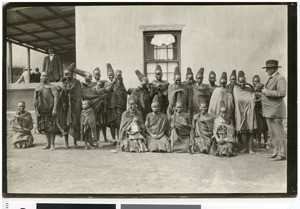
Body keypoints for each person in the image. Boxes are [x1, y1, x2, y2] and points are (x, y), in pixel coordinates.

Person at [261, 59, 287, 161]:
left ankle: (282, 153)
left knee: (279, 133)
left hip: (275, 111)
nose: (266, 71)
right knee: (273, 133)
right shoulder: (272, 78)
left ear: (273, 69)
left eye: (268, 69)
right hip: (269, 111)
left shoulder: (280, 78)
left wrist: (266, 92)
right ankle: (276, 151)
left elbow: (282, 93)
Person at [57, 64, 82, 148]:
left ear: (72, 74)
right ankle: (66, 143)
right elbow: (62, 94)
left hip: (75, 106)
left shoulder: (77, 82)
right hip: (66, 107)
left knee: (75, 124)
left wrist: (72, 97)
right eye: (65, 74)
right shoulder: (64, 82)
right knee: (66, 124)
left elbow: (79, 94)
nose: (66, 76)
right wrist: (64, 102)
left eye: (68, 74)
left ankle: (75, 143)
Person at [34, 72, 59, 151]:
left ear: (48, 77)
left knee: (51, 128)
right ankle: (47, 143)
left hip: (50, 110)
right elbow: (35, 100)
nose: (44, 77)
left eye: (46, 76)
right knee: (44, 128)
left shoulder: (52, 87)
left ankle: (52, 144)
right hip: (41, 110)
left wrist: (55, 109)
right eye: (42, 76)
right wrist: (36, 111)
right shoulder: (38, 87)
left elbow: (56, 97)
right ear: (40, 77)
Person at [233, 71, 257, 154]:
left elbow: (255, 89)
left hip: (250, 112)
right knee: (243, 131)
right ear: (237, 82)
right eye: (239, 82)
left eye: (243, 82)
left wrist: (248, 84)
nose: (241, 83)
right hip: (240, 112)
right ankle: (244, 147)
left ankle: (250, 148)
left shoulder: (249, 89)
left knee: (250, 130)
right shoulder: (235, 89)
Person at [105, 67, 128, 142]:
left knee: (119, 122)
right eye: (117, 75)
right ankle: (114, 139)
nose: (119, 77)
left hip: (119, 106)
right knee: (112, 123)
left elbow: (124, 93)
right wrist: (113, 83)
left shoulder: (121, 84)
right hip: (111, 106)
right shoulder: (107, 83)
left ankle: (119, 138)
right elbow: (106, 91)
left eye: (120, 75)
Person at [252, 75, 269, 149]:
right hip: (256, 111)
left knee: (265, 128)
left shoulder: (263, 90)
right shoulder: (252, 90)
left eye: (257, 81)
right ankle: (259, 142)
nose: (256, 83)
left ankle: (266, 143)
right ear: (253, 82)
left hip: (264, 111)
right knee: (258, 128)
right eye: (255, 81)